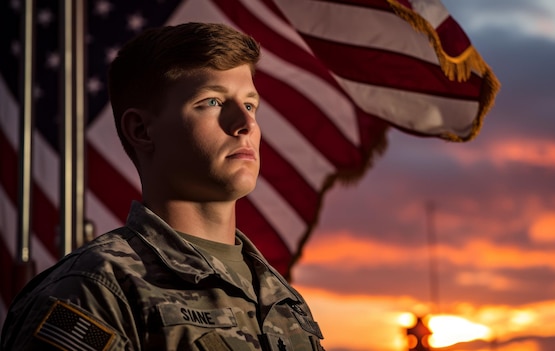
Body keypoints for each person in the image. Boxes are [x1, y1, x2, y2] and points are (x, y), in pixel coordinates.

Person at [1, 22, 324, 351]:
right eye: (212, 102)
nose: (246, 124)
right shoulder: (93, 291)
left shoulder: (284, 302)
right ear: (141, 130)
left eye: (251, 104)